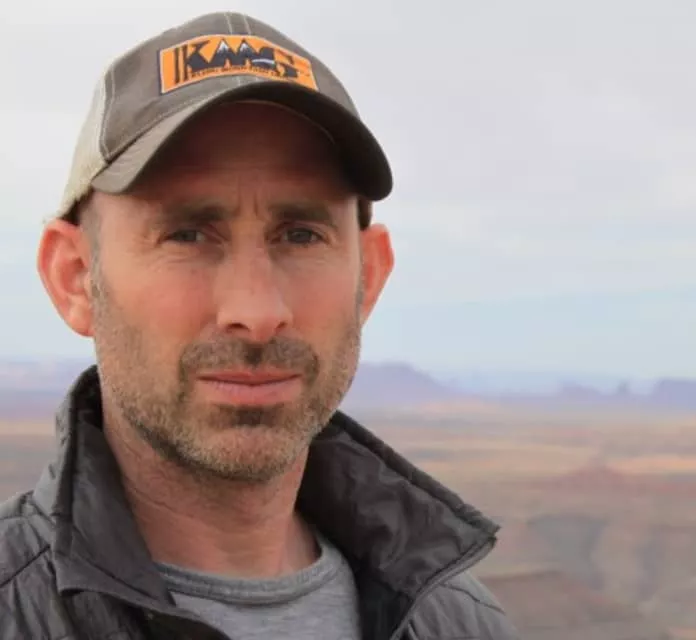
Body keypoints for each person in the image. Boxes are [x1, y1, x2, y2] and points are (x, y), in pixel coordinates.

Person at [0, 11, 519, 640]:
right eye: (187, 234)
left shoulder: (461, 623)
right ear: (76, 277)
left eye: (301, 235)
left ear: (369, 277)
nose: (257, 311)